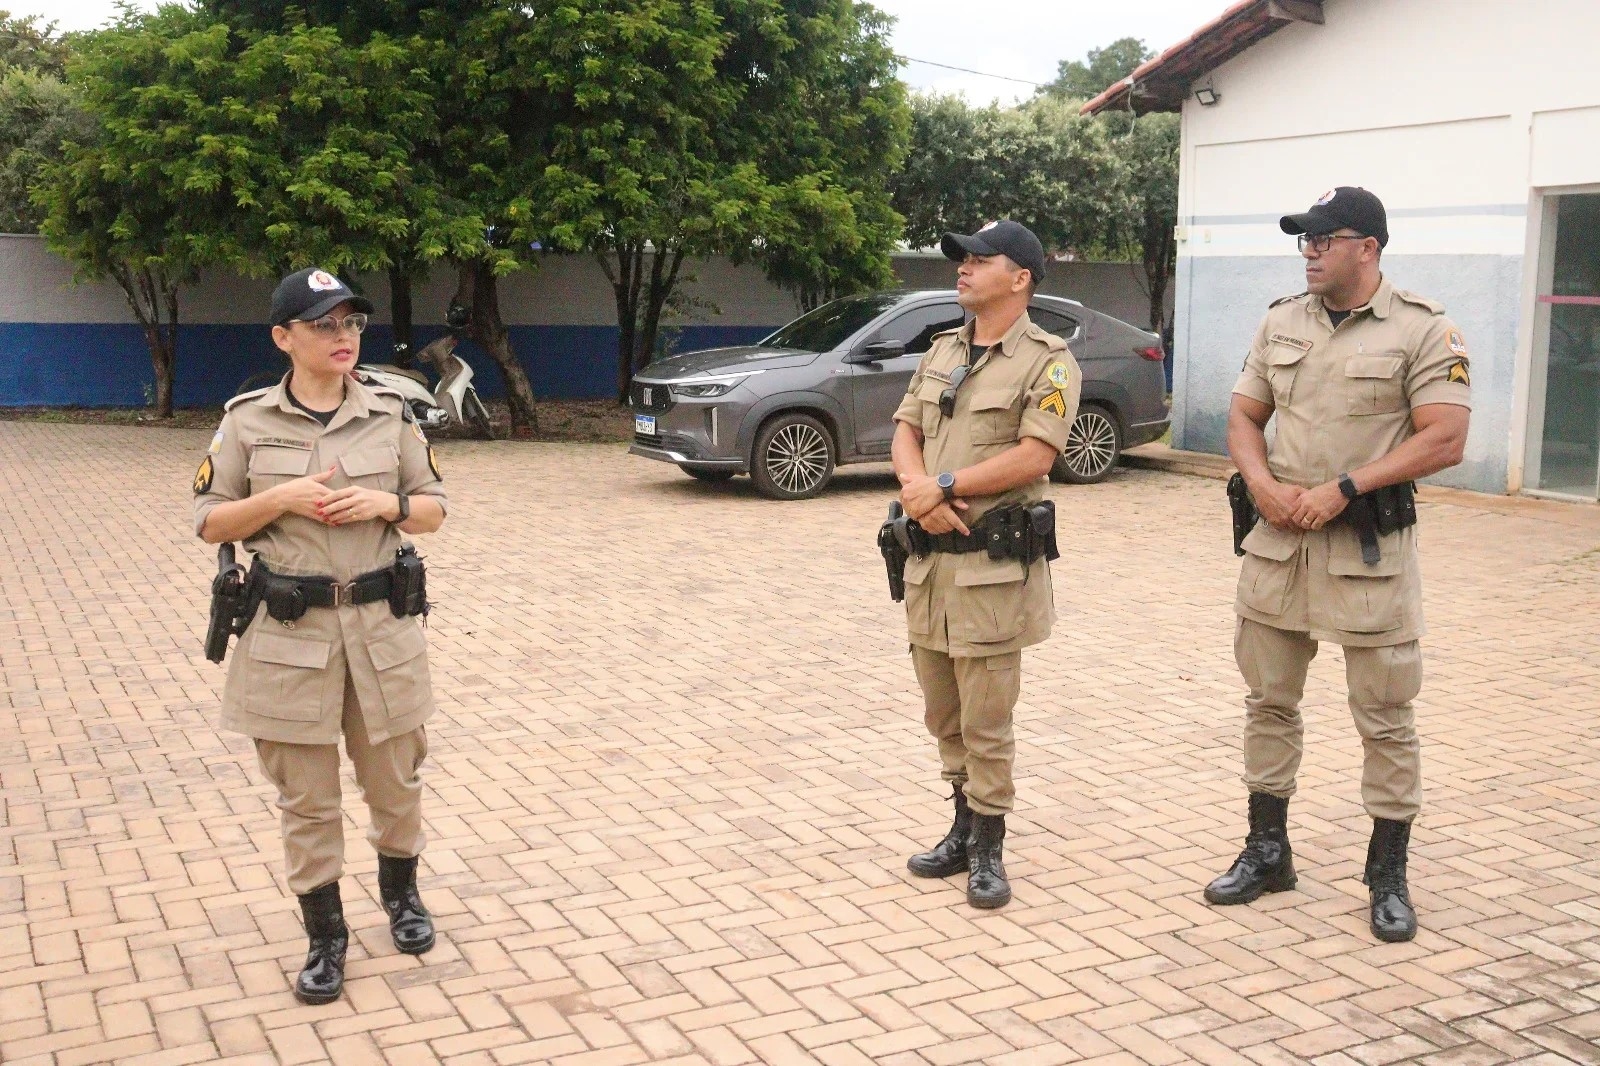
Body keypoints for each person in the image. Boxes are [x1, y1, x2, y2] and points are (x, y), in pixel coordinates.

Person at [1206, 188, 1471, 942]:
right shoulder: (1280, 321)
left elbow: (1446, 437)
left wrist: (1345, 488)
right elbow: (1244, 416)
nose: (1311, 252)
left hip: (1367, 551)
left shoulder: (1424, 329)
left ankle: (1388, 874)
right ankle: (1268, 852)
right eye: (1305, 240)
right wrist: (1260, 483)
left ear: (1369, 248)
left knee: (1385, 716)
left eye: (1325, 239)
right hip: (1279, 544)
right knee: (1268, 702)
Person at [193, 267, 449, 1003]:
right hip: (288, 638)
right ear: (284, 337)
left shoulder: (390, 413)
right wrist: (278, 498)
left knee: (395, 782)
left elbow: (434, 507)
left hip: (381, 631)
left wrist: (385, 505)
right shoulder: (246, 422)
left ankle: (402, 897)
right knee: (306, 800)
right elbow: (209, 521)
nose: (344, 337)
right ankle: (325, 936)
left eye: (352, 324)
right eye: (325, 325)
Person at [889, 220, 1081, 909]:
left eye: (980, 259)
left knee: (986, 720)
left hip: (993, 571)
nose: (964, 268)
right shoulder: (943, 349)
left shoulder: (1049, 361)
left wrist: (943, 488)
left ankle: (989, 847)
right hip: (930, 567)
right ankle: (961, 828)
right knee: (943, 713)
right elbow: (906, 429)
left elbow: (1035, 455)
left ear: (1020, 278)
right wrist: (918, 492)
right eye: (962, 259)